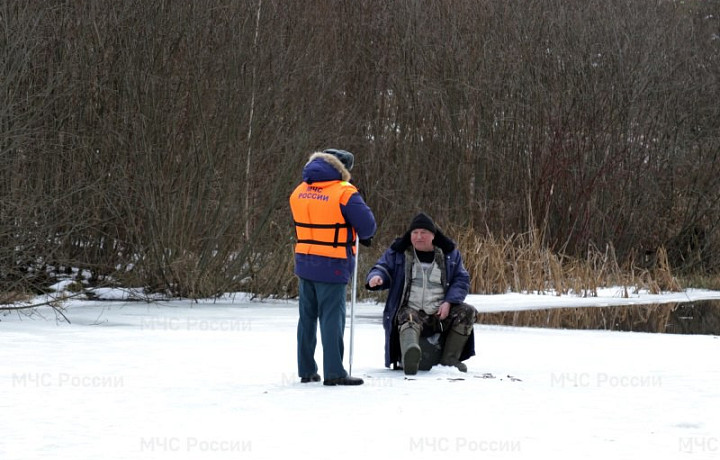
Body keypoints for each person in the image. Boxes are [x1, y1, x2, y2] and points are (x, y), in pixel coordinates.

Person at [289, 149, 376, 386]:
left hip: (305, 261)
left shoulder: (299, 190)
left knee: (307, 318)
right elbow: (368, 227)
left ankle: (306, 370)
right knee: (331, 318)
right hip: (333, 263)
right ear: (343, 169)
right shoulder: (344, 192)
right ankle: (335, 372)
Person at [365, 212, 476, 375]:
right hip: (412, 310)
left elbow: (462, 279)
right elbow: (382, 268)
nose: (418, 237)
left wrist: (449, 302)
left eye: (423, 233)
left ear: (433, 235)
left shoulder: (449, 254)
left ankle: (450, 359)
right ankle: (410, 354)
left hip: (439, 312)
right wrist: (376, 277)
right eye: (415, 233)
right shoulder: (398, 253)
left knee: (467, 311)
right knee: (407, 316)